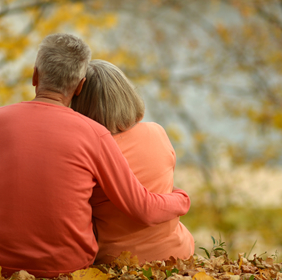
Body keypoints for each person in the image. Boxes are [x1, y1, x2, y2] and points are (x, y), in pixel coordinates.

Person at [0, 34, 191, 278]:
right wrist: (182, 198)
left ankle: (2, 245)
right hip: (69, 266)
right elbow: (141, 205)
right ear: (79, 86)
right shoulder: (96, 134)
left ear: (35, 75)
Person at [71, 60, 195, 264]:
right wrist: (181, 197)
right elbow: (160, 185)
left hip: (118, 262)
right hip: (177, 254)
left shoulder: (87, 152)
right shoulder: (157, 132)